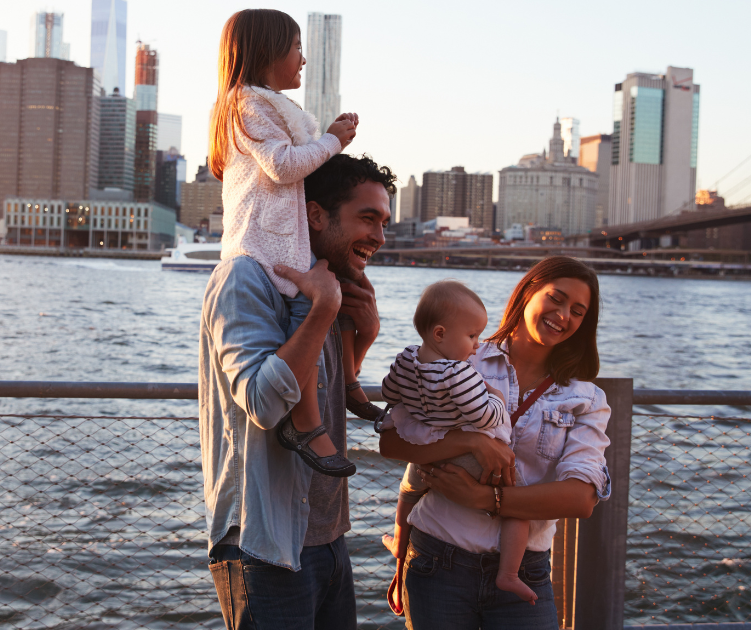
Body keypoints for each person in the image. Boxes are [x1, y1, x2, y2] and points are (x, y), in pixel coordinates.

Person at [200, 151, 394, 629]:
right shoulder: (247, 277)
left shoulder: (325, 283)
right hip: (264, 546)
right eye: (367, 219)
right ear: (314, 214)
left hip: (329, 540)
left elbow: (321, 390)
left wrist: (361, 338)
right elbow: (264, 403)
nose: (379, 237)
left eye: (384, 223)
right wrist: (322, 311)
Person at [378, 256, 612, 629]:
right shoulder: (463, 358)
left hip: (525, 571)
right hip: (437, 560)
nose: (564, 315)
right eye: (557, 298)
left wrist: (486, 499)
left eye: (578, 311)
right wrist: (472, 442)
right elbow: (391, 443)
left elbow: (581, 498)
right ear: (528, 290)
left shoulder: (585, 397)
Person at [209, 8, 360, 477]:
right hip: (262, 245)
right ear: (266, 52)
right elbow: (282, 166)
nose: (303, 59)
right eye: (296, 48)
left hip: (279, 245)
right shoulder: (246, 104)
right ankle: (308, 424)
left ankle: (339, 396)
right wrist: (334, 141)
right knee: (304, 323)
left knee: (319, 318)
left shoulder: (258, 105)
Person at [380, 279, 539, 610]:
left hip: (429, 454)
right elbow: (483, 418)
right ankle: (509, 573)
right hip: (470, 458)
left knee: (409, 492)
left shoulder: (406, 358)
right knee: (518, 507)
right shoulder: (459, 373)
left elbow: (389, 391)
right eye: (471, 336)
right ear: (440, 334)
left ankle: (400, 545)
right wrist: (495, 398)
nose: (477, 346)